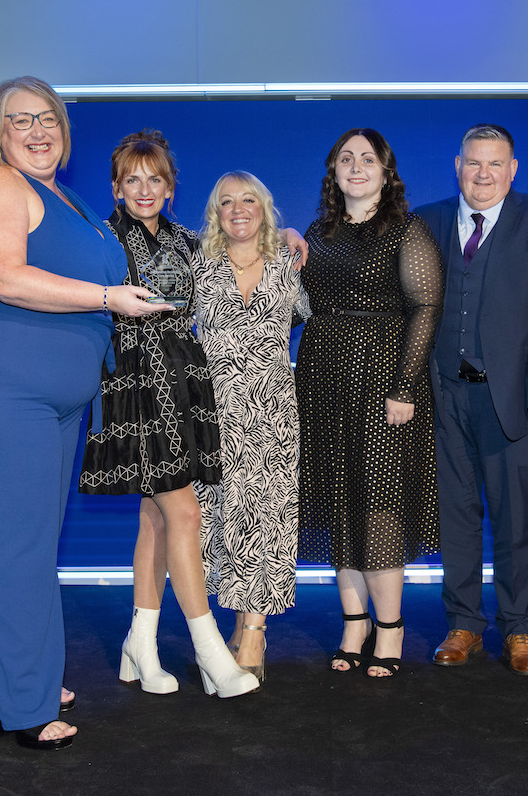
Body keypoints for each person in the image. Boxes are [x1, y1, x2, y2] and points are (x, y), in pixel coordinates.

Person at [0, 77, 164, 750]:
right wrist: (106, 297)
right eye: (20, 120)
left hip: (56, 400)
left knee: (26, 540)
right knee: (22, 545)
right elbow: (1, 275)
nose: (38, 129)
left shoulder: (64, 199)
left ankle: (7, 681)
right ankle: (25, 707)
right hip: (6, 390)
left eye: (48, 118)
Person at [80, 131, 287, 698]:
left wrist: (289, 234)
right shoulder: (96, 238)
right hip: (130, 382)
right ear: (116, 188)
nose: (144, 190)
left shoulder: (192, 243)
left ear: (171, 187)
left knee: (156, 517)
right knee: (187, 515)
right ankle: (211, 652)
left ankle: (139, 644)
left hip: (186, 383)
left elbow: (249, 246)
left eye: (156, 179)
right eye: (132, 180)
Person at [417, 124, 528, 676]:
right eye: (474, 164)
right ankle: (463, 624)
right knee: (455, 515)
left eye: (495, 164)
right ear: (458, 166)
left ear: (514, 168)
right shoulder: (426, 221)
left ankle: (519, 630)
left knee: (514, 519)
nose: (483, 175)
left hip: (513, 402)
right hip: (444, 397)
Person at [296, 128, 444, 679]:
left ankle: (390, 628)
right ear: (333, 170)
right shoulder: (319, 231)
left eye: (367, 159)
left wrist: (404, 387)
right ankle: (352, 623)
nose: (356, 166)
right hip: (323, 382)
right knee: (340, 503)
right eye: (345, 158)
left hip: (383, 382)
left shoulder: (407, 230)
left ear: (386, 171)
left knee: (378, 504)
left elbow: (426, 307)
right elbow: (300, 304)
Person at [194, 171, 310, 682]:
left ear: (265, 207)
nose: (237, 209)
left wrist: (293, 240)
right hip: (214, 411)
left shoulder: (289, 260)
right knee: (222, 517)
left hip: (273, 412)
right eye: (226, 202)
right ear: (214, 213)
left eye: (248, 200)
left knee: (266, 517)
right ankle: (239, 624)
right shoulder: (198, 264)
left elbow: (306, 314)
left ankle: (255, 631)